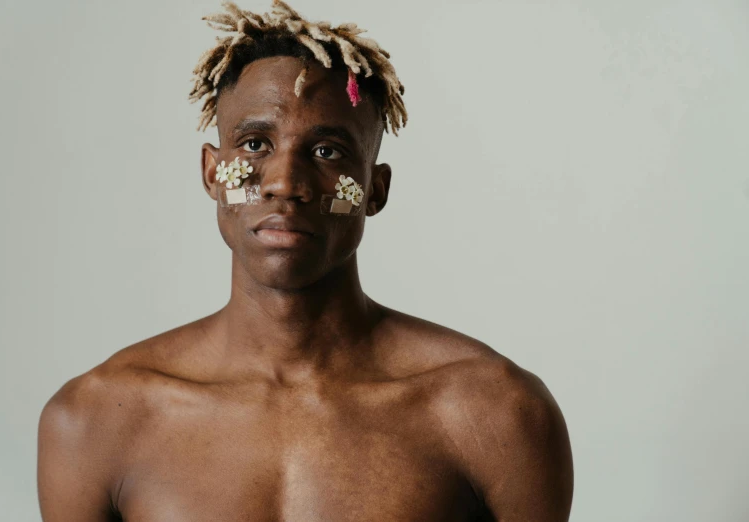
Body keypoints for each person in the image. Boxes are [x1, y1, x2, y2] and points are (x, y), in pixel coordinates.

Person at [37, 1, 574, 520]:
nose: (284, 183)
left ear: (374, 189)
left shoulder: (493, 413)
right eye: (253, 145)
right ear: (210, 172)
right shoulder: (95, 419)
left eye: (327, 152)